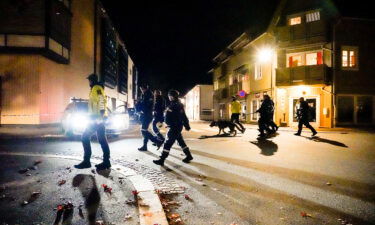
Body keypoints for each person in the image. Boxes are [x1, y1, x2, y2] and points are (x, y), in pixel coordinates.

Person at [74, 74, 111, 170]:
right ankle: (106, 162)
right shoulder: (94, 89)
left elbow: (102, 100)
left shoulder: (97, 88)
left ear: (91, 80)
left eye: (89, 80)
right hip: (95, 117)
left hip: (97, 118)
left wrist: (101, 116)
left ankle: (87, 161)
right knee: (102, 139)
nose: (88, 82)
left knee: (85, 137)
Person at [153, 90, 193, 166]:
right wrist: (162, 121)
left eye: (170, 96)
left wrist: (186, 125)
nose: (169, 97)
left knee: (167, 143)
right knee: (181, 142)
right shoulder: (172, 104)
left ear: (173, 96)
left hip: (175, 127)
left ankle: (162, 160)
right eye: (169, 96)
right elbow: (167, 114)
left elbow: (183, 116)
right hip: (174, 126)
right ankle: (189, 156)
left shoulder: (178, 105)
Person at [137, 84, 163, 151]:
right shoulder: (145, 94)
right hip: (146, 115)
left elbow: (146, 106)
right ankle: (145, 146)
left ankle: (157, 141)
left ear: (144, 88)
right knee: (145, 131)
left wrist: (139, 105)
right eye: (141, 90)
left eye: (142, 89)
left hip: (147, 115)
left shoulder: (148, 95)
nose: (141, 91)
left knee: (143, 131)